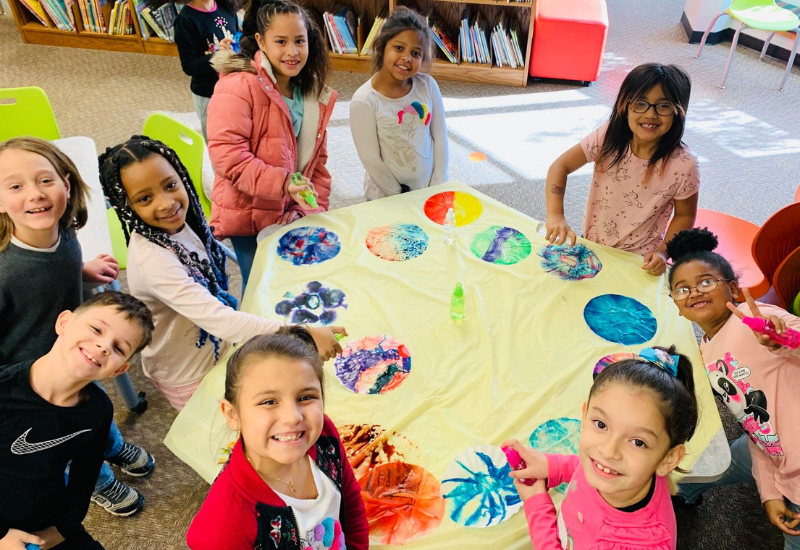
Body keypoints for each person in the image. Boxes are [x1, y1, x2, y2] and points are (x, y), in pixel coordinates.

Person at [99, 136, 344, 411]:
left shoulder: (179, 225)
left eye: (170, 186)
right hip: (187, 374)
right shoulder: (154, 262)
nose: (166, 203)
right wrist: (302, 333)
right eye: (145, 198)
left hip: (216, 348)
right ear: (126, 207)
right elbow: (220, 320)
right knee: (217, 436)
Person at [0, 138, 154, 518]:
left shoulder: (62, 227)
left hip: (76, 348)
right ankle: (97, 478)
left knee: (93, 407)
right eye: (15, 186)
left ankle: (112, 445)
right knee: (66, 433)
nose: (35, 195)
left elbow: (50, 271)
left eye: (44, 180)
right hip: (33, 380)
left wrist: (81, 272)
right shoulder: (4, 270)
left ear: (66, 184)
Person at [666, 228, 800, 548]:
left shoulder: (760, 321)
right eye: (682, 289)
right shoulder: (706, 351)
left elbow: (791, 338)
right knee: (693, 468)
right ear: (677, 305)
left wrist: (785, 341)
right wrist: (768, 491)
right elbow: (754, 425)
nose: (695, 291)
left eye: (706, 282)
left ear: (735, 289)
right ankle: (681, 495)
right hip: (768, 447)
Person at [186, 327, 369, 550]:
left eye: (305, 397)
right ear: (233, 415)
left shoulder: (324, 435)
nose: (293, 417)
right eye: (269, 401)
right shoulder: (221, 529)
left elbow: (350, 502)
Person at [0, 291, 154, 550]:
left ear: (119, 369)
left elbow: (85, 478)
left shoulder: (98, 411)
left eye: (118, 348)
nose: (104, 346)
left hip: (45, 529)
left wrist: (63, 528)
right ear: (64, 322)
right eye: (96, 329)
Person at [504, 346, 698, 550]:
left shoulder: (636, 544)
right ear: (585, 414)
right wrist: (552, 466)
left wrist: (536, 505)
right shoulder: (620, 473)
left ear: (668, 459)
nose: (608, 451)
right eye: (601, 424)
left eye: (638, 442)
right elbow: (587, 468)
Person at [206, 0, 335, 288]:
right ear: (261, 42)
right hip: (248, 215)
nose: (292, 51)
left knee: (294, 286)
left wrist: (312, 211)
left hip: (290, 212)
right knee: (261, 291)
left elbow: (318, 163)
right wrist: (284, 183)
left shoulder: (311, 93)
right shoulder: (237, 86)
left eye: (299, 41)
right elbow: (229, 159)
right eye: (281, 41)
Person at [544, 63, 699, 276]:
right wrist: (555, 216)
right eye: (641, 103)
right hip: (594, 245)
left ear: (678, 111)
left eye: (663, 106)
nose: (651, 115)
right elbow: (560, 167)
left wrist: (663, 252)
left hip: (640, 259)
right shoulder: (608, 137)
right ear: (625, 106)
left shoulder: (684, 164)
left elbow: (685, 215)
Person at [349, 6, 449, 201]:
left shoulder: (428, 86)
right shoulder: (364, 101)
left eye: (416, 53)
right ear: (381, 47)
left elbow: (440, 138)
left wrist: (437, 185)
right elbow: (371, 159)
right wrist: (398, 195)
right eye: (399, 48)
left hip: (428, 189)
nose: (406, 58)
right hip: (387, 195)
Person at [173, 0, 239, 141]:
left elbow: (236, 36)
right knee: (216, 140)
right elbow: (189, 66)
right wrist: (217, 55)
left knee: (236, 134)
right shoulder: (185, 20)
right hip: (208, 93)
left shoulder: (226, 6)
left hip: (234, 88)